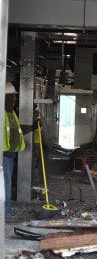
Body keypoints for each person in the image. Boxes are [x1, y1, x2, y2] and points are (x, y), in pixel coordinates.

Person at [3, 82, 36, 221]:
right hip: (3, 155)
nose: (15, 99)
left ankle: (6, 211)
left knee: (6, 183)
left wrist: (33, 126)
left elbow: (18, 130)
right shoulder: (3, 114)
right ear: (5, 97)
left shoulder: (11, 114)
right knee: (5, 184)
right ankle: (5, 213)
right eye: (13, 96)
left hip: (9, 155)